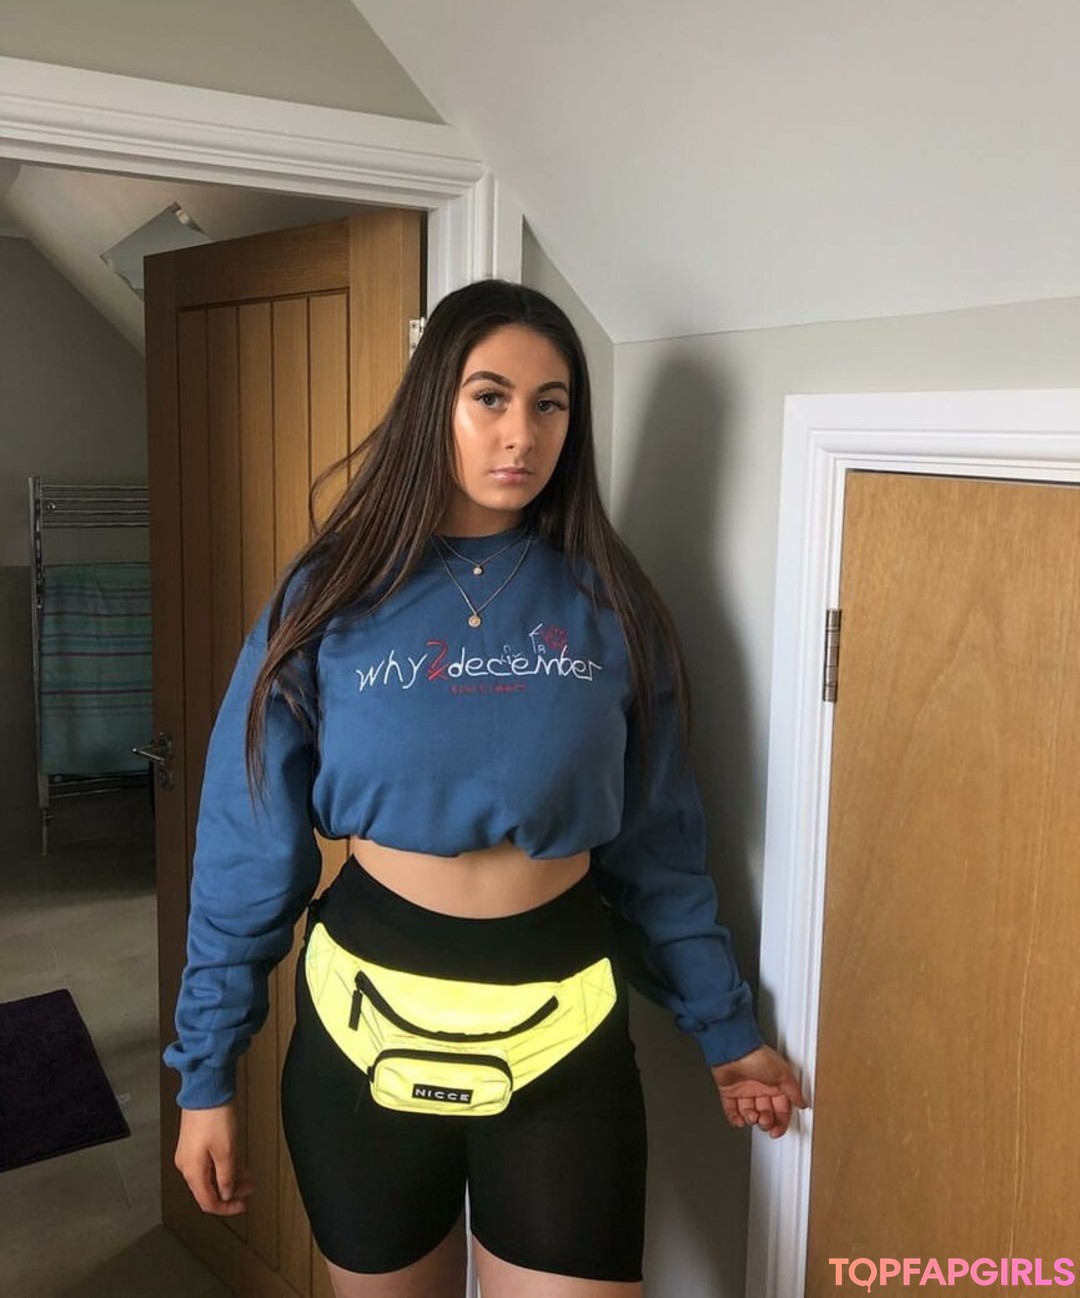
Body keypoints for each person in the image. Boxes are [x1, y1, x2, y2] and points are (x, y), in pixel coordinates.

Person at [165, 279, 807, 1298]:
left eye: (551, 404)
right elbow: (249, 845)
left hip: (565, 1036)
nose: (522, 434)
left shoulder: (613, 601)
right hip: (361, 1031)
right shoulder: (331, 592)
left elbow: (659, 850)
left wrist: (726, 1033)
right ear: (438, 405)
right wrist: (205, 1074)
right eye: (490, 397)